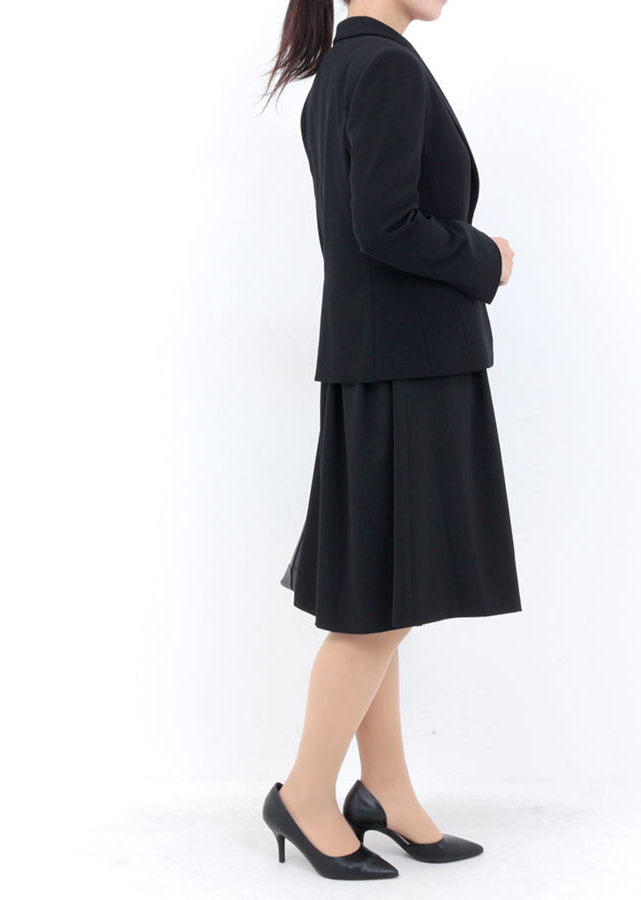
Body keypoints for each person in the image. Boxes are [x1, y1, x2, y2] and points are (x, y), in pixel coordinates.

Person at [257, 0, 522, 880]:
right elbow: (384, 225)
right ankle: (305, 794)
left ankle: (387, 792)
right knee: (381, 607)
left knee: (381, 589)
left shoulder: (338, 73)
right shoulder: (385, 68)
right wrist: (485, 257)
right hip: (410, 367)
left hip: (378, 363)